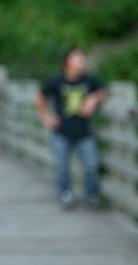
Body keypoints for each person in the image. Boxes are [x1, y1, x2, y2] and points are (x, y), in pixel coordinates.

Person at [35, 48, 108, 210]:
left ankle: (91, 196)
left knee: (91, 166)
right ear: (67, 62)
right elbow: (40, 97)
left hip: (84, 132)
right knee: (62, 167)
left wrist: (93, 98)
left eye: (83, 59)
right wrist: (45, 116)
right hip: (61, 132)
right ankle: (65, 195)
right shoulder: (57, 81)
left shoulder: (90, 81)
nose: (82, 62)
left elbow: (104, 92)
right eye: (78, 59)